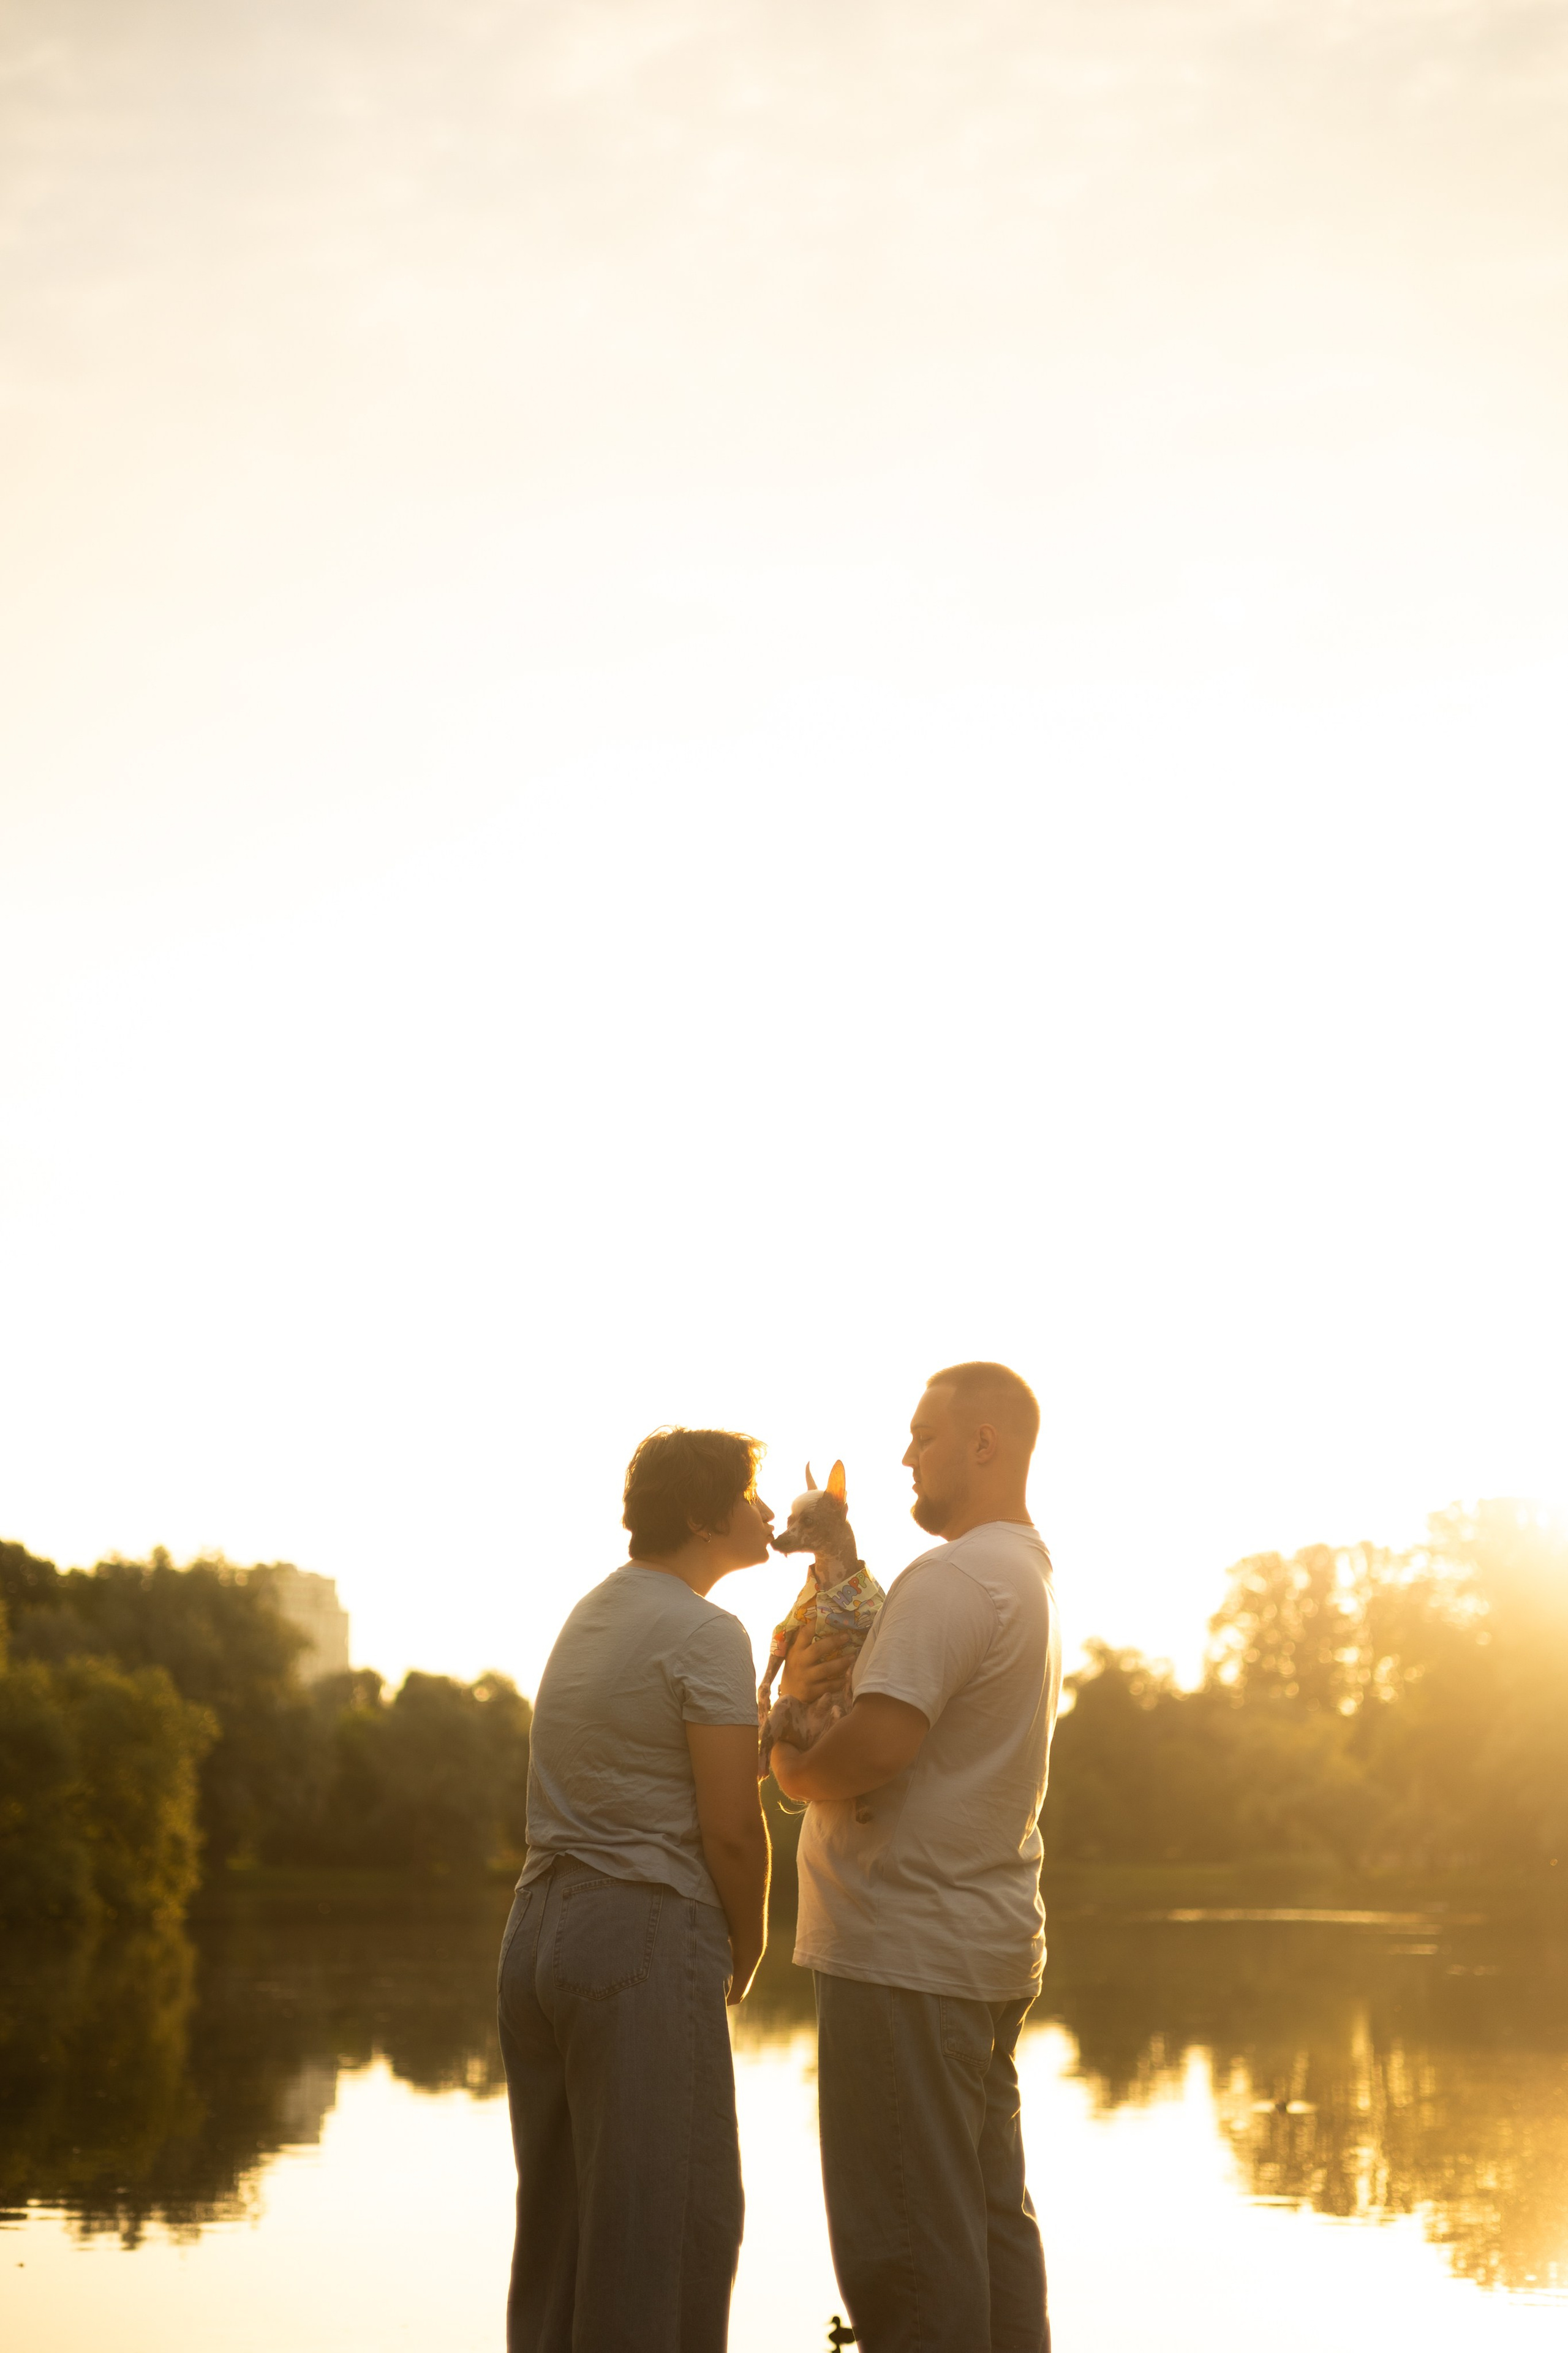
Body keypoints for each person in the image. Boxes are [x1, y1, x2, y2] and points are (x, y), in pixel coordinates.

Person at [771, 1361, 1062, 2353]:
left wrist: (788, 1758)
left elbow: (877, 1747)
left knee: (905, 2252)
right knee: (986, 2229)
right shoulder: (1025, 1569)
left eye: (924, 1433)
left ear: (985, 1443)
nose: (903, 1453)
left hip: (903, 1955)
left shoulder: (953, 1577)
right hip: (977, 1950)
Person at [496, 1426, 774, 2353]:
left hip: (536, 1934)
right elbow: (731, 1826)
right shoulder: (707, 1630)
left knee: (564, 2241)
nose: (766, 1513)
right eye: (749, 1494)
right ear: (704, 1514)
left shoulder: (597, 1610)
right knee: (671, 2234)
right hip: (641, 1934)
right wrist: (752, 1940)